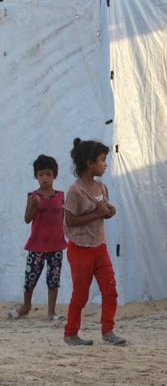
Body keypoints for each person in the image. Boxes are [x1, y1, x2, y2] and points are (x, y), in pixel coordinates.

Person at [63, 138, 126, 346]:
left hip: (100, 247)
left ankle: (108, 331)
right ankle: (71, 333)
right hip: (80, 249)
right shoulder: (75, 191)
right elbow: (71, 220)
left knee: (110, 289)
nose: (105, 164)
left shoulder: (101, 187)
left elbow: (102, 211)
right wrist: (97, 213)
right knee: (80, 295)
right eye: (102, 160)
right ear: (89, 163)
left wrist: (108, 212)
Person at [8, 154, 67, 321]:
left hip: (56, 246)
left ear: (54, 175)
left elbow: (64, 219)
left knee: (53, 279)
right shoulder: (33, 196)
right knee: (30, 278)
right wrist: (33, 207)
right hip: (36, 246)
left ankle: (51, 312)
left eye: (48, 174)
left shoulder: (61, 196)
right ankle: (26, 306)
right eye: (41, 174)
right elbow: (27, 219)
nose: (45, 178)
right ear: (36, 176)